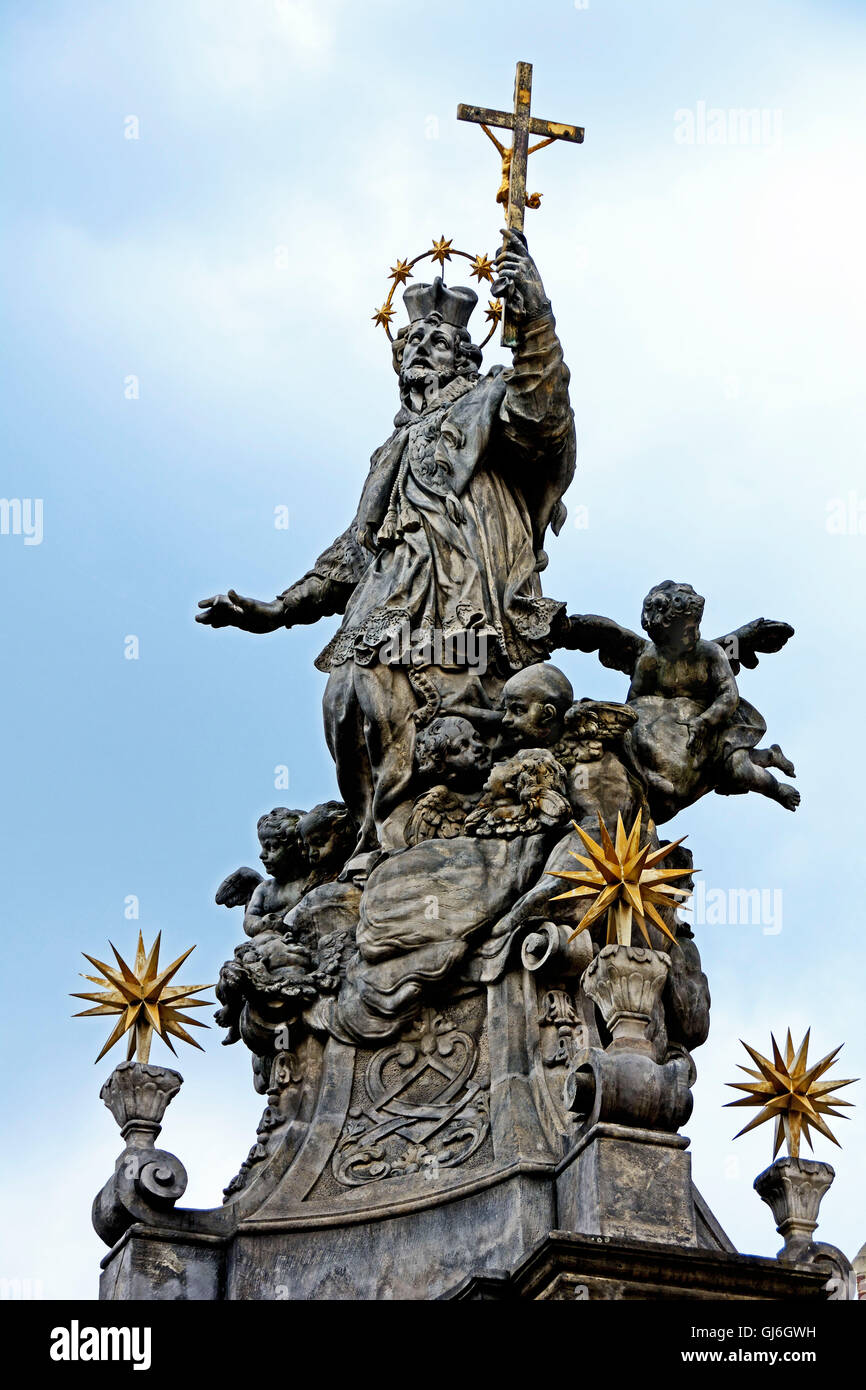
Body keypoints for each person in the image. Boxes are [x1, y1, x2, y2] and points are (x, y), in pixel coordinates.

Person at [197, 230, 576, 860]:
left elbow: (545, 415)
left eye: (437, 342)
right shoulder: (392, 447)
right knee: (348, 692)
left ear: (466, 357)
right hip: (391, 585)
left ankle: (422, 836)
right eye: (411, 344)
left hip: (466, 586)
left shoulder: (491, 399)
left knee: (433, 692)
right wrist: (279, 609)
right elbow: (354, 547)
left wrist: (534, 315)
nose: (420, 351)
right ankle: (380, 836)